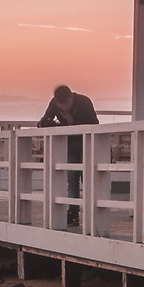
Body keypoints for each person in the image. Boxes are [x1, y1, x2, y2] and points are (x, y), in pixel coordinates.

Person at [37, 85, 98, 227]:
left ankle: (92, 215)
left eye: (65, 103)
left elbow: (95, 124)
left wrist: (72, 122)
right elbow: (43, 121)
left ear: (71, 97)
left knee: (88, 179)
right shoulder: (54, 103)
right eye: (60, 104)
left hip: (88, 143)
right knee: (72, 178)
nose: (63, 107)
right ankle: (73, 213)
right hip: (70, 144)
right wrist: (47, 123)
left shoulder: (84, 102)